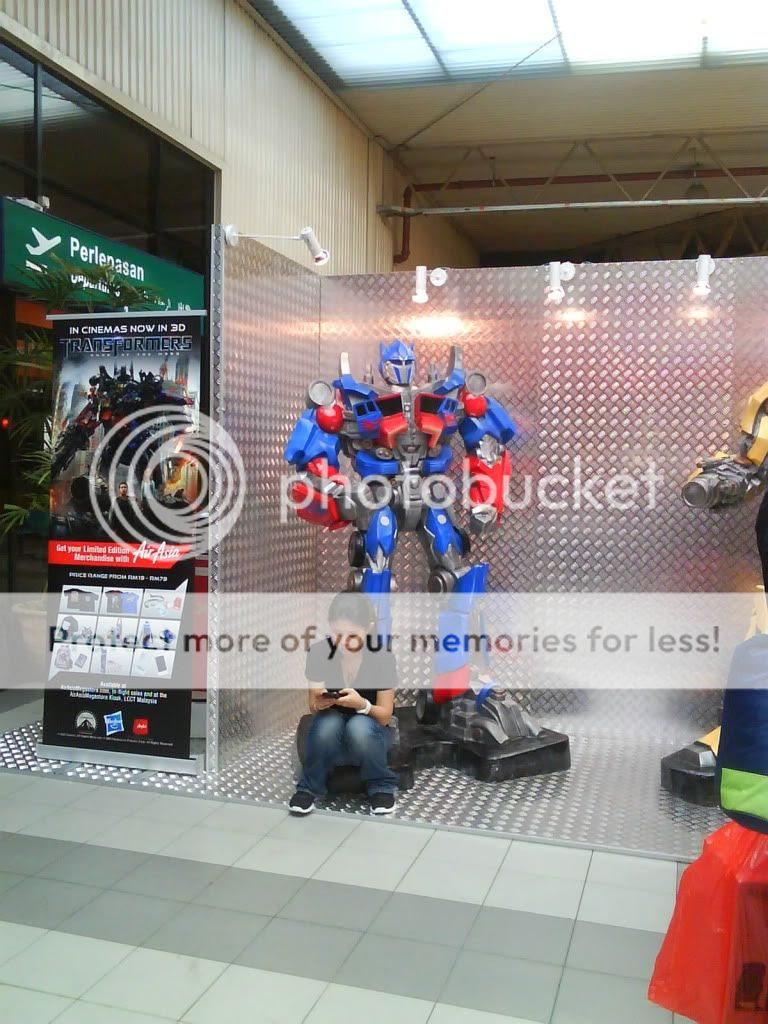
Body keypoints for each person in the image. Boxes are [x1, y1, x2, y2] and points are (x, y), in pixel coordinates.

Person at [289, 592, 398, 816]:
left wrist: (362, 705)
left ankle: (381, 787)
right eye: (338, 634)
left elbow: (385, 715)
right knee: (327, 724)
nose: (344, 642)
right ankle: (308, 788)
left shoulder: (383, 657)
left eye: (352, 635)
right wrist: (320, 702)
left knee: (359, 726)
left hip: (370, 728)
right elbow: (313, 706)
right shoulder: (320, 652)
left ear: (368, 628)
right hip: (331, 724)